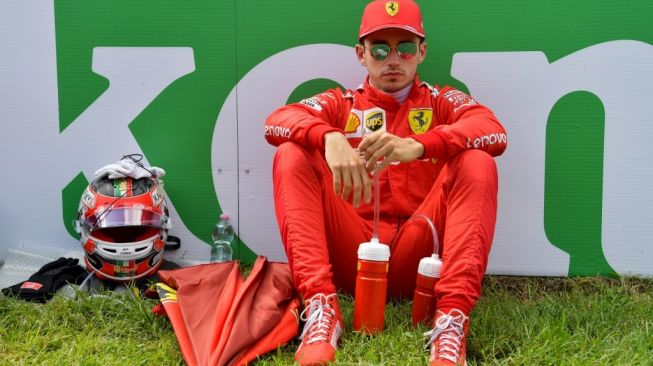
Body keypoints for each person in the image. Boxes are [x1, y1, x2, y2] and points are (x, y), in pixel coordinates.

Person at [264, 0, 507, 364]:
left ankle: (451, 320)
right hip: (356, 256)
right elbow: (276, 121)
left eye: (404, 47)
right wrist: (328, 137)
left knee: (478, 161)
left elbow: (493, 131)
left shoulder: (442, 101)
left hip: (421, 257)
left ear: (421, 52)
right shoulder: (341, 103)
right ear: (361, 55)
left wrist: (420, 145)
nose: (393, 59)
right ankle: (321, 309)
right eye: (379, 48)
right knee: (291, 153)